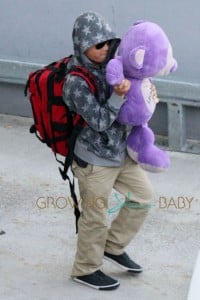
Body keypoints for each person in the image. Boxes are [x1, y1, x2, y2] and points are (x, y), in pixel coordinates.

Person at [63, 11, 154, 291]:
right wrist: (120, 95)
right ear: (82, 45)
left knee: (143, 197)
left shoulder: (112, 63)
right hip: (93, 160)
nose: (104, 48)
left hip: (120, 153)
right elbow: (100, 122)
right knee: (96, 215)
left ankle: (112, 247)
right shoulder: (75, 82)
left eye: (107, 42)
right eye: (97, 44)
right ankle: (85, 268)